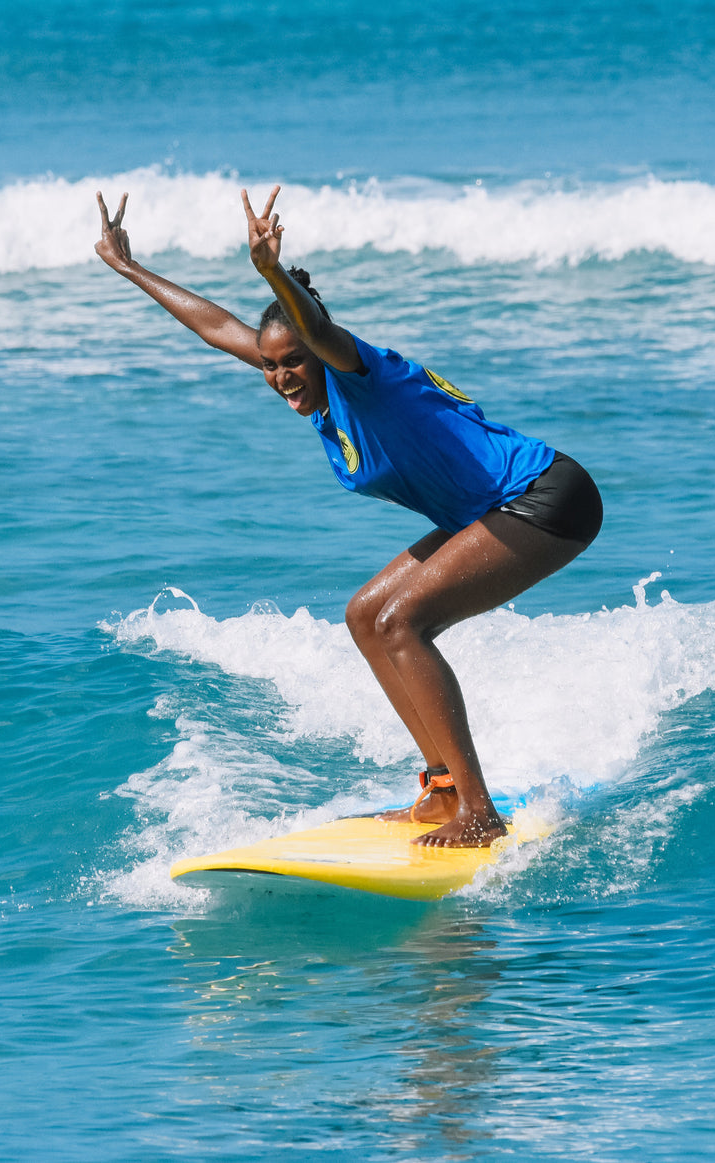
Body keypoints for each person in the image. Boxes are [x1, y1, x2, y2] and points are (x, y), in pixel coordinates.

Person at [94, 187, 602, 847]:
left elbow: (320, 333)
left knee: (402, 620)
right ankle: (445, 789)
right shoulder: (303, 377)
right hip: (491, 506)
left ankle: (478, 812)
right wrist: (128, 268)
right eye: (270, 366)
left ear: (317, 350)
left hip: (543, 495)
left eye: (292, 361)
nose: (280, 376)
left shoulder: (363, 373)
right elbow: (218, 329)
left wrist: (272, 271)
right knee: (366, 615)